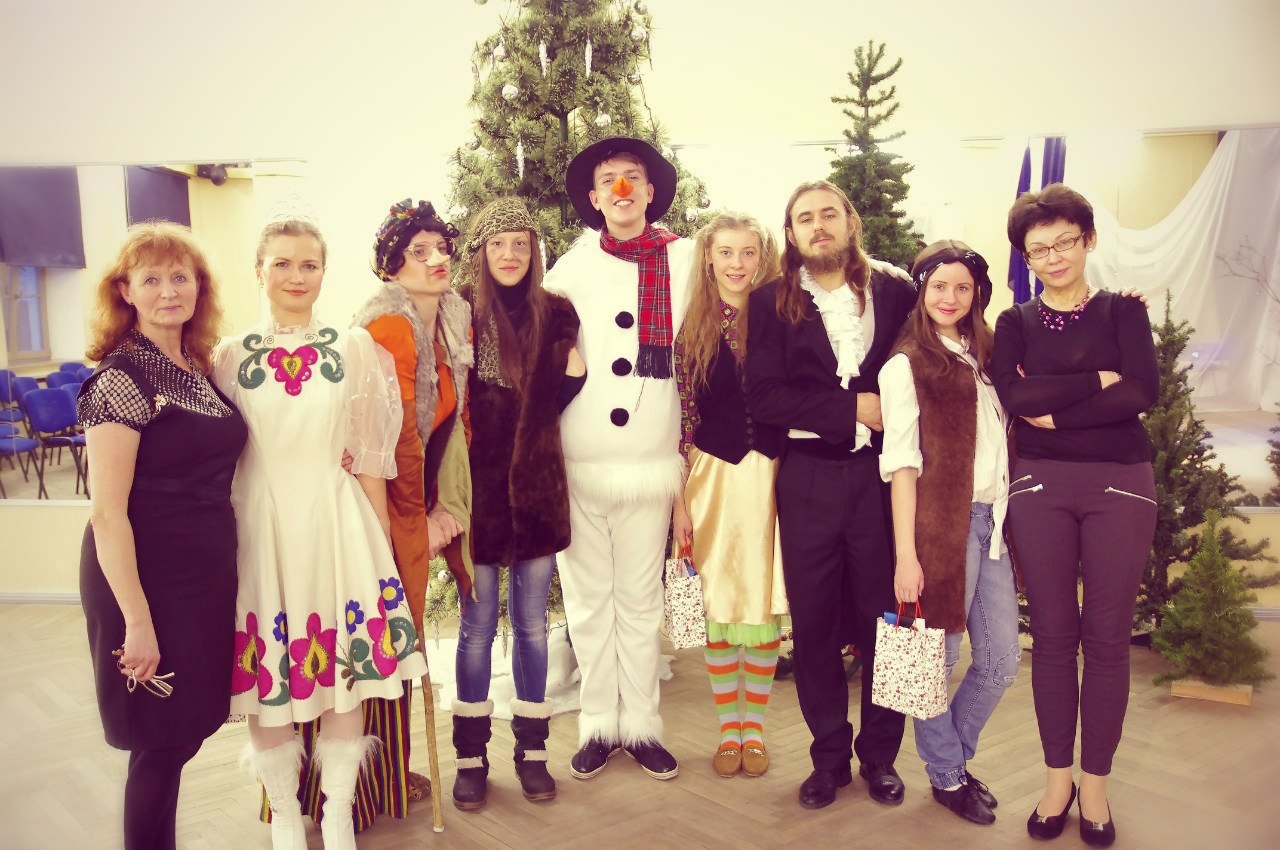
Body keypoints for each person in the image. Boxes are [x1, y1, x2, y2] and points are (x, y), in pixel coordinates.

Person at [213, 219, 427, 850]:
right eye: (282, 263)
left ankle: (335, 814)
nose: (296, 276)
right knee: (267, 681)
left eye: (309, 264)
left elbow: (370, 459)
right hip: (262, 528)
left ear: (324, 273)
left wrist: (379, 545)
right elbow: (218, 458)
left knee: (345, 677)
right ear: (259, 270)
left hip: (338, 526)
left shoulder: (353, 347)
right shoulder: (227, 355)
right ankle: (284, 815)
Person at [992, 184, 1158, 848]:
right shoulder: (1015, 322)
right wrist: (1096, 381)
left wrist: (1056, 415)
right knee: (1055, 639)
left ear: (1088, 241)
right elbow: (1015, 395)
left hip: (1122, 482)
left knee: (1108, 639)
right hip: (1040, 485)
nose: (1053, 256)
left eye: (1064, 242)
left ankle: (1095, 784)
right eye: (1038, 249)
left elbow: (1142, 390)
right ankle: (1057, 780)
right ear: (1026, 258)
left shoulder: (1123, 311)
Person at [744, 180, 915, 810]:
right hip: (809, 478)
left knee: (884, 623)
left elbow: (943, 341)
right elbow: (764, 396)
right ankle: (828, 760)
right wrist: (851, 410)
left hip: (881, 482)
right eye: (804, 218)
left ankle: (880, 758)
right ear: (790, 234)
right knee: (814, 625)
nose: (818, 226)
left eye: (828, 214)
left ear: (850, 221)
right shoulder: (769, 302)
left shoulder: (896, 291)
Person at [77, 222, 247, 850]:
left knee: (184, 733)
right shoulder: (121, 378)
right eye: (151, 279)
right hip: (144, 580)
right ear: (125, 291)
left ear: (200, 287)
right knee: (159, 743)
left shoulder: (194, 367)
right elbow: (106, 515)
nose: (169, 291)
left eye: (181, 277)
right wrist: (137, 622)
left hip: (200, 579)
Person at [544, 136, 694, 780]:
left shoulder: (686, 259)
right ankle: (599, 725)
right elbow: (533, 344)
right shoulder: (569, 269)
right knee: (587, 603)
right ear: (595, 197)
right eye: (610, 180)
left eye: (633, 177)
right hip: (580, 462)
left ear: (651, 192)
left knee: (639, 602)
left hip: (650, 464)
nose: (623, 189)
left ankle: (642, 725)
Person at [449, 197, 585, 809]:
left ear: (535, 253)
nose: (510, 254)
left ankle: (532, 752)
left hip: (535, 491)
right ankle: (470, 757)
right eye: (498, 244)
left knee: (531, 626)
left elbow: (570, 380)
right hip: (476, 496)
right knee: (477, 627)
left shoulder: (555, 312)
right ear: (481, 252)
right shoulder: (459, 313)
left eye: (521, 244)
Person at [879, 240, 1019, 826]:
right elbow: (901, 465)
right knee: (936, 661)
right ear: (922, 291)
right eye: (939, 286)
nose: (950, 297)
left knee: (1002, 661)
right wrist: (906, 555)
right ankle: (947, 775)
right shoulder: (906, 364)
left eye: (963, 287)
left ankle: (951, 761)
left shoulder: (986, 356)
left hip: (994, 525)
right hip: (940, 529)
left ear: (976, 294)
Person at [351, 198, 474, 819]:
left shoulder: (450, 321)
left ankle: (390, 773)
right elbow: (394, 438)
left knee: (401, 633)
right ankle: (368, 780)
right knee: (384, 632)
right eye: (418, 252)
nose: (436, 259)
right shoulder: (390, 328)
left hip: (417, 494)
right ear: (392, 266)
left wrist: (445, 506)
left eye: (441, 248)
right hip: (377, 499)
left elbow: (451, 429)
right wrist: (415, 521)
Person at [671, 212, 786, 779]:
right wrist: (678, 503)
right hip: (711, 477)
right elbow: (681, 420)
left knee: (761, 604)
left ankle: (755, 730)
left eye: (747, 253)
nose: (737, 264)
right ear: (709, 259)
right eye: (725, 253)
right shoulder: (690, 329)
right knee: (719, 604)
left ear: (762, 258)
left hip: (771, 478)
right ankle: (727, 730)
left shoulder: (780, 320)